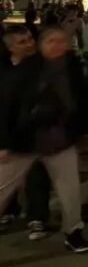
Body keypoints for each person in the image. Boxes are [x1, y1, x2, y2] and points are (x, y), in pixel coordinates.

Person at [0, 27, 88, 253]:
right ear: (41, 45)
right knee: (2, 189)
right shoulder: (25, 71)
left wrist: (84, 133)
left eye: (62, 40)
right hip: (25, 141)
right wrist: (3, 143)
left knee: (70, 192)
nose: (57, 45)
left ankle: (73, 232)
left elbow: (83, 103)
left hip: (60, 141)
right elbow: (6, 108)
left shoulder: (73, 69)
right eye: (51, 41)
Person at [0, 25, 52, 241]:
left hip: (35, 132)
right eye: (22, 42)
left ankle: (37, 217)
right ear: (11, 47)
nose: (30, 44)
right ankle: (9, 210)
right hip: (8, 131)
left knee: (36, 174)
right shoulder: (4, 68)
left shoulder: (40, 66)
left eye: (30, 39)